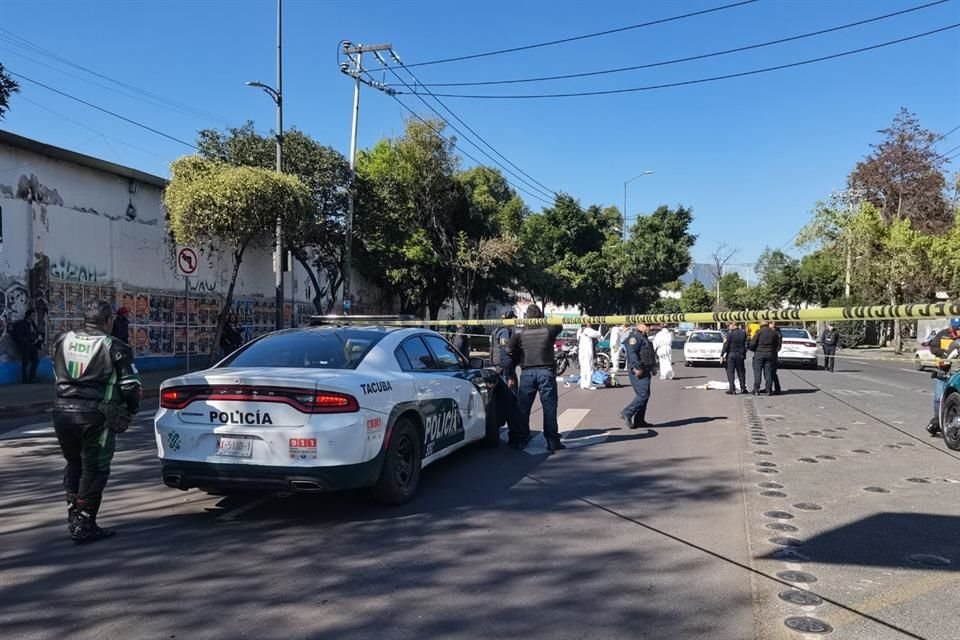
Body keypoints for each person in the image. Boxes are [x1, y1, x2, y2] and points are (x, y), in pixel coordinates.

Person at [52, 301, 141, 543]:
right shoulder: (115, 346)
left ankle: (74, 516)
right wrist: (131, 409)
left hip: (61, 411)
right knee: (96, 467)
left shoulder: (62, 340)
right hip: (95, 415)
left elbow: (56, 372)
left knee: (73, 463)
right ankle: (85, 523)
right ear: (109, 321)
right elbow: (131, 386)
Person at [507, 304, 564, 452]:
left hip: (527, 373)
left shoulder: (519, 331)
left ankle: (521, 439)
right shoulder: (548, 329)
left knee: (523, 408)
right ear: (540, 316)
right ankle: (552, 441)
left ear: (526, 316)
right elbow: (559, 324)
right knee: (549, 407)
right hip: (546, 372)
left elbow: (508, 350)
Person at [927, 318, 960, 436]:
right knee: (938, 398)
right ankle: (937, 421)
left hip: (952, 376)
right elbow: (933, 347)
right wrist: (942, 352)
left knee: (943, 399)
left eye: (956, 329)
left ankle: (940, 423)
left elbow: (945, 362)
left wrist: (945, 356)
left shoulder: (956, 343)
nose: (954, 331)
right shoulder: (942, 334)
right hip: (942, 373)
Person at [620, 322, 656, 430]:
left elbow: (650, 353)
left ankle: (639, 420)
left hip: (646, 369)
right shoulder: (635, 337)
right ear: (639, 325)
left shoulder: (644, 337)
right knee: (643, 395)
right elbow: (632, 353)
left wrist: (653, 366)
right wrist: (637, 367)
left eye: (649, 325)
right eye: (646, 325)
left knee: (645, 394)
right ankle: (627, 412)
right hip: (638, 370)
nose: (649, 328)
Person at [11, 309, 42, 383]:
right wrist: (26, 342)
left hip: (33, 345)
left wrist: (38, 337)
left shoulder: (32, 323)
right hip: (26, 346)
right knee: (25, 362)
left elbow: (35, 332)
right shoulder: (22, 324)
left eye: (34, 315)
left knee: (36, 361)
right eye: (33, 315)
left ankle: (32, 377)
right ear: (28, 316)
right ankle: (25, 379)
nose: (34, 317)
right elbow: (19, 336)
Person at [750, 321, 780, 395]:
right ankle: (768, 390)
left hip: (759, 353)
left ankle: (756, 389)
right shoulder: (774, 332)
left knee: (757, 373)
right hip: (770, 354)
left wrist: (754, 349)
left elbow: (752, 343)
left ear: (761, 325)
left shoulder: (759, 332)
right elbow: (777, 344)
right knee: (768, 373)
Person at [490, 311, 517, 389]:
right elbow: (505, 351)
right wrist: (510, 374)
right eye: (514, 319)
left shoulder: (497, 330)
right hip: (504, 365)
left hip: (498, 363)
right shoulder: (504, 331)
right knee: (510, 389)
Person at [721, 322, 748, 394]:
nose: (728, 327)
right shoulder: (743, 333)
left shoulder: (730, 334)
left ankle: (732, 389)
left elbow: (726, 345)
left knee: (730, 372)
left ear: (733, 325)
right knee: (741, 372)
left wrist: (722, 355)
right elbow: (746, 344)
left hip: (731, 355)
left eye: (729, 325)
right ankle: (743, 388)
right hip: (740, 355)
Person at [577, 324, 602, 390]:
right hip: (587, 351)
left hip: (581, 350)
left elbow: (577, 338)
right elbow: (598, 334)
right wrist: (600, 327)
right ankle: (588, 384)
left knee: (583, 368)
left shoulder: (580, 330)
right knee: (589, 367)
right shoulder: (588, 330)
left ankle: (583, 384)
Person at [769, 323, 783, 395]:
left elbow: (778, 346)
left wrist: (774, 351)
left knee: (772, 372)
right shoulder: (774, 332)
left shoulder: (777, 333)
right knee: (769, 372)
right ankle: (769, 387)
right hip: (772, 354)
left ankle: (777, 389)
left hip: (773, 355)